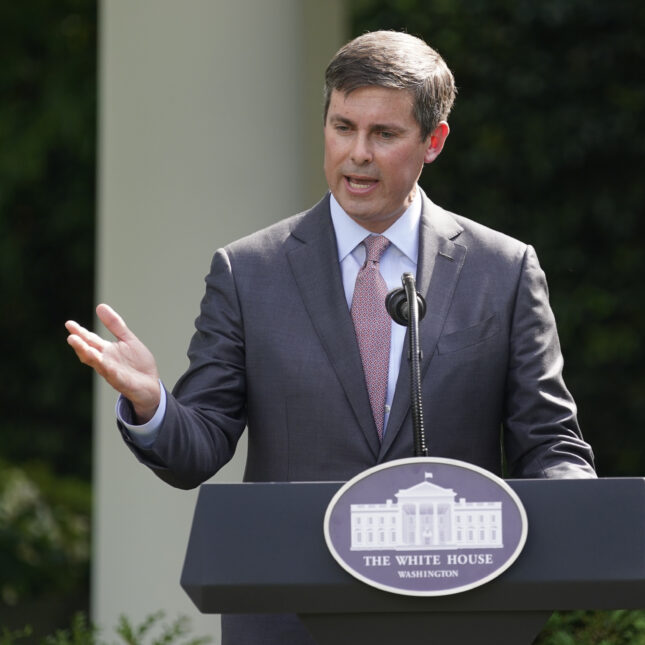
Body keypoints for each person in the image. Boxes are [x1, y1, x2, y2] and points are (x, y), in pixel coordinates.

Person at [66, 30, 595, 645]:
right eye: (343, 127)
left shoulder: (501, 271)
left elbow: (551, 443)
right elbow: (201, 447)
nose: (358, 154)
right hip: (288, 619)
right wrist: (152, 404)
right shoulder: (249, 271)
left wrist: (574, 516)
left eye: (385, 134)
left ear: (434, 141)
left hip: (454, 613)